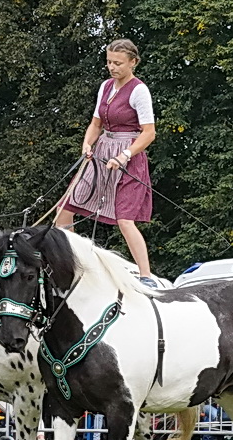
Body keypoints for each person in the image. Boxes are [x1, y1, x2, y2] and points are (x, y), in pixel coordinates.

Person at [58, 38, 160, 285]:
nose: (112, 67)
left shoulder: (139, 90)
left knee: (125, 219)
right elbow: (96, 124)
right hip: (102, 152)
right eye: (109, 62)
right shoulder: (105, 86)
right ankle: (78, 264)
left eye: (118, 63)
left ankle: (146, 276)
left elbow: (149, 133)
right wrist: (87, 144)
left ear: (133, 63)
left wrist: (125, 155)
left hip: (128, 156)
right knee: (64, 210)